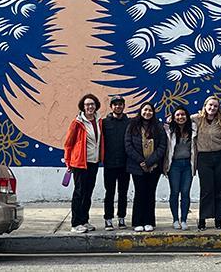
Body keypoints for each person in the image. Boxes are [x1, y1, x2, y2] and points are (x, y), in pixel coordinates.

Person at [63, 93, 104, 234]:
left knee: (88, 193)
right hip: (80, 163)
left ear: (96, 106)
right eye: (87, 104)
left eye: (92, 104)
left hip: (93, 162)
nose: (90, 107)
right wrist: (68, 162)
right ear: (83, 107)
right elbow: (68, 143)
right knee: (79, 193)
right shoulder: (77, 123)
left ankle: (84, 220)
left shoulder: (98, 121)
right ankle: (75, 223)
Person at [124, 102, 167, 232]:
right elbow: (128, 145)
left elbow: (162, 146)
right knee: (140, 193)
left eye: (150, 110)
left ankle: (149, 221)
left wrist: (149, 162)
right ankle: (137, 221)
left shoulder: (158, 127)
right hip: (137, 166)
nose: (147, 113)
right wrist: (141, 161)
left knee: (150, 193)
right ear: (141, 111)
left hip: (154, 167)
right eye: (145, 110)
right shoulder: (132, 125)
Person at [191, 95, 221, 230]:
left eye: (215, 106)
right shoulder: (197, 119)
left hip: (220, 156)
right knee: (206, 189)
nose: (212, 108)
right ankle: (203, 219)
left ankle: (218, 219)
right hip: (204, 157)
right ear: (205, 106)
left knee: (220, 189)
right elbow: (180, 118)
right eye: (210, 105)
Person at [164, 106, 196, 230]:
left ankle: (184, 220)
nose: (180, 117)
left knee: (186, 193)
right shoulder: (169, 130)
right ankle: (175, 220)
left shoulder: (193, 129)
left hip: (188, 165)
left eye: (183, 114)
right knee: (175, 192)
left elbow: (200, 116)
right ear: (173, 117)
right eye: (177, 115)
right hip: (174, 166)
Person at [102, 95, 130, 230]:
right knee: (109, 193)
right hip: (109, 165)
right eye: (115, 104)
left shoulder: (129, 122)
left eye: (120, 104)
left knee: (123, 192)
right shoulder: (104, 123)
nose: (118, 106)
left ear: (124, 106)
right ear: (111, 106)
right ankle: (108, 219)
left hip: (125, 165)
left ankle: (122, 218)